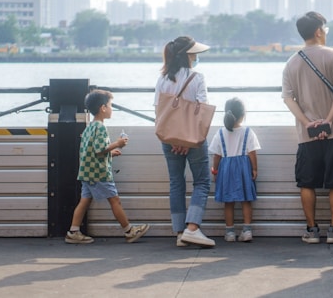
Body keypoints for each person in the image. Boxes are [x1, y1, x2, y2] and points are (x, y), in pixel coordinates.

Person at [282, 11, 333, 244]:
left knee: (307, 182)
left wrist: (308, 123)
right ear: (318, 31)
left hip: (307, 135)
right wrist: (329, 120)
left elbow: (288, 98)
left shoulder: (292, 63)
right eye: (326, 28)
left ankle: (311, 230)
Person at [65, 89, 150, 244]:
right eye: (110, 105)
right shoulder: (101, 128)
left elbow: (92, 151)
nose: (112, 109)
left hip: (86, 172)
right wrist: (118, 143)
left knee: (84, 201)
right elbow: (99, 149)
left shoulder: (89, 128)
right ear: (102, 108)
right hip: (99, 173)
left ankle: (73, 231)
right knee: (114, 200)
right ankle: (129, 231)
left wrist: (111, 153)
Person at [154, 36, 215, 247]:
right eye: (194, 53)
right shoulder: (197, 77)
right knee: (202, 181)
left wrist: (174, 139)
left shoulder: (162, 79)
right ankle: (193, 228)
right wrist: (186, 140)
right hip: (193, 137)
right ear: (188, 56)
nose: (197, 56)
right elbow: (202, 107)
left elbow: (159, 111)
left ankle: (179, 232)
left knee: (176, 183)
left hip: (168, 138)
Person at [208, 97, 260, 242]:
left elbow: (216, 156)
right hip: (243, 168)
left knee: (228, 202)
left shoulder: (220, 133)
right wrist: (254, 169)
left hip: (226, 169)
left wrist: (215, 171)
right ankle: (247, 231)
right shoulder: (248, 132)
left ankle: (230, 232)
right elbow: (252, 153)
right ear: (243, 115)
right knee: (246, 200)